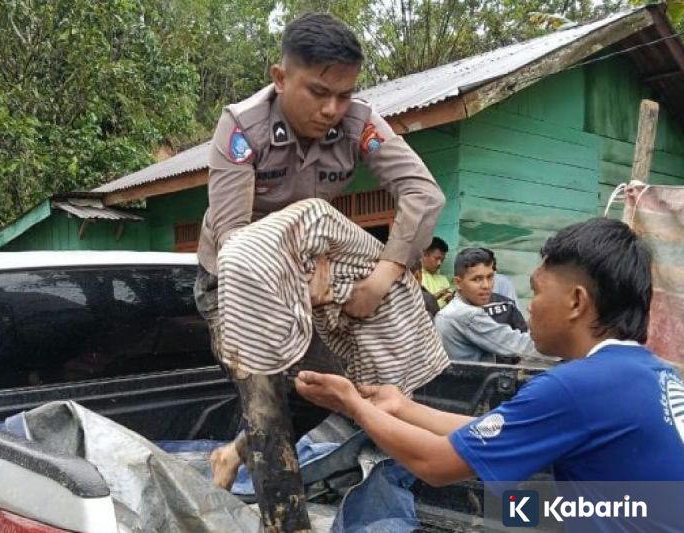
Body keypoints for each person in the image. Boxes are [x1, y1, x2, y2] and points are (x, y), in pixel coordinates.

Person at [194, 12, 445, 531]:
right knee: (265, 398)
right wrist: (294, 296)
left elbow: (424, 194)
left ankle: (231, 454)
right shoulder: (241, 129)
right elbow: (233, 241)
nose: (332, 109)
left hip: (316, 272)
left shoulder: (360, 123)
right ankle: (285, 522)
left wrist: (382, 278)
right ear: (281, 77)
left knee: (332, 382)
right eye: (318, 92)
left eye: (345, 94)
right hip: (236, 283)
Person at [295, 217, 684, 529]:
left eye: (536, 291)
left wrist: (354, 406)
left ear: (576, 302)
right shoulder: (650, 374)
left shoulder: (577, 388)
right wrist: (401, 407)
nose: (527, 307)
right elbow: (493, 429)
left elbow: (437, 464)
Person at [434, 248, 540, 361]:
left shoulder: (449, 310)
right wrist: (557, 349)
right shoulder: (467, 315)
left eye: (490, 277)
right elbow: (517, 344)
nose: (486, 285)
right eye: (477, 279)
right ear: (458, 283)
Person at [421, 237, 453, 308]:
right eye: (437, 258)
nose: (439, 263)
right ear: (425, 255)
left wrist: (450, 300)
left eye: (442, 259)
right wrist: (438, 295)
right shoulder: (416, 276)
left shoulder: (443, 279)